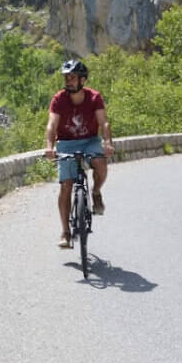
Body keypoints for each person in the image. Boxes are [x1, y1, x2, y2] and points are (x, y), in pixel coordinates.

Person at [44, 59, 114, 249]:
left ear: (83, 80)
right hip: (66, 143)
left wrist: (107, 142)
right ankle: (65, 232)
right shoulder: (59, 99)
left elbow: (104, 122)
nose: (68, 81)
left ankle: (96, 191)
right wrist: (50, 146)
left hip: (90, 141)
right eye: (66, 77)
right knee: (66, 186)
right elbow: (51, 125)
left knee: (100, 163)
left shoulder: (94, 97)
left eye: (72, 77)